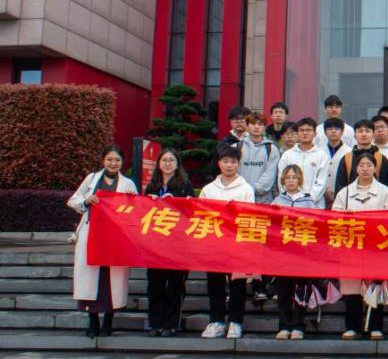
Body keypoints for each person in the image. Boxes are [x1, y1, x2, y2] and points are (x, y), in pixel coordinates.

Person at [68, 145, 139, 338]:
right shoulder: (92, 179)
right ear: (103, 160)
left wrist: (132, 200)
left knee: (111, 280)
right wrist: (86, 200)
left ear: (122, 162)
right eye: (109, 159)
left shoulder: (128, 184)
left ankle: (108, 322)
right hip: (92, 233)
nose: (113, 163)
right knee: (91, 277)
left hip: (115, 236)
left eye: (117, 160)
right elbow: (73, 200)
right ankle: (93, 322)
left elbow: (136, 210)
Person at [332, 152, 388, 339]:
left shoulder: (385, 191)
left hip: (376, 247)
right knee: (352, 288)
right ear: (356, 168)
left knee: (375, 285)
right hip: (352, 246)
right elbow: (334, 217)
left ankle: (376, 326)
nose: (365, 169)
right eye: (362, 165)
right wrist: (344, 217)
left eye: (369, 165)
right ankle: (352, 327)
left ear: (375, 168)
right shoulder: (344, 192)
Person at [200, 143, 256, 339]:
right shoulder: (208, 189)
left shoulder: (246, 189)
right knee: (214, 284)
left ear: (238, 164)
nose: (229, 165)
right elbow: (201, 216)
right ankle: (216, 321)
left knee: (238, 285)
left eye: (233, 161)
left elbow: (249, 216)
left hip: (237, 243)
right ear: (219, 163)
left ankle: (235, 322)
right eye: (225, 161)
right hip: (214, 243)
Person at [143, 148, 194, 337]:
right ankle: (155, 323)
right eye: (164, 160)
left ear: (177, 164)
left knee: (175, 286)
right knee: (155, 284)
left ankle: (171, 324)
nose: (167, 163)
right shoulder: (152, 186)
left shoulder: (185, 185)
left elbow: (192, 211)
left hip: (178, 244)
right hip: (155, 244)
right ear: (158, 163)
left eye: (171, 160)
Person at [272, 165, 318, 340]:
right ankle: (284, 326)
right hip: (282, 255)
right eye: (288, 178)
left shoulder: (308, 201)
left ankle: (298, 325)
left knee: (301, 291)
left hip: (302, 255)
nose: (291, 181)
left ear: (300, 180)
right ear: (283, 181)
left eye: (294, 177)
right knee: (284, 291)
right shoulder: (277, 201)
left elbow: (315, 224)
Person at [329, 119, 388, 203]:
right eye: (360, 131)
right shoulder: (347, 158)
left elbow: (386, 186)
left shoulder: (381, 158)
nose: (364, 134)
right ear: (355, 136)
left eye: (367, 131)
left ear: (373, 135)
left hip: (376, 204)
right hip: (351, 205)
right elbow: (340, 187)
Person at [277, 117, 330, 207]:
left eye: (308, 130)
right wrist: (291, 199)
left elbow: (321, 183)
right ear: (297, 133)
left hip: (314, 206)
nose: (305, 133)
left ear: (315, 134)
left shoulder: (322, 155)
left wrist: (306, 200)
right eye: (301, 130)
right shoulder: (287, 155)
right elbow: (281, 180)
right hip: (290, 205)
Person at [239, 111, 281, 204]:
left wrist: (252, 190)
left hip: (263, 200)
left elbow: (270, 174)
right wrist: (243, 190)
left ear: (264, 127)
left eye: (260, 124)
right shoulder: (237, 147)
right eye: (253, 124)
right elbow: (234, 172)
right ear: (247, 126)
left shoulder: (271, 149)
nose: (256, 127)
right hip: (240, 197)